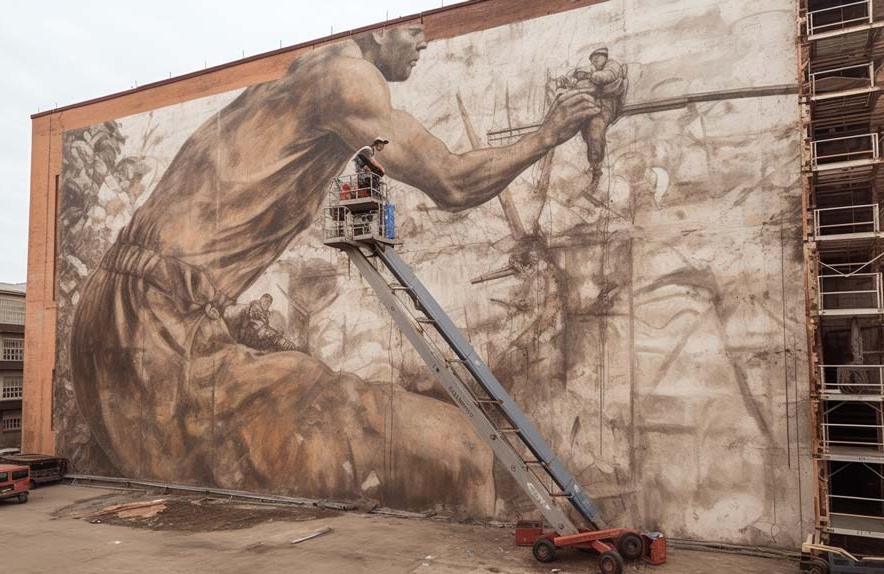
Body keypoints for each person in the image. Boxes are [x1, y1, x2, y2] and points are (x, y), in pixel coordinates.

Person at [69, 24, 599, 511]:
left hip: (117, 316)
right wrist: (547, 134)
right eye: (413, 26)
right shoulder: (347, 79)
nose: (424, 40)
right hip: (158, 339)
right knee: (460, 449)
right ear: (375, 25)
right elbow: (453, 183)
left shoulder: (291, 85)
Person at [548, 46, 627, 191]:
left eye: (597, 57)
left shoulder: (612, 65)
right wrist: (569, 80)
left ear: (604, 56)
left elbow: (608, 76)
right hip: (587, 105)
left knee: (595, 134)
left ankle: (596, 173)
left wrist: (590, 75)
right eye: (592, 59)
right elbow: (576, 79)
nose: (595, 61)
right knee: (571, 129)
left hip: (604, 106)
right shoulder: (591, 69)